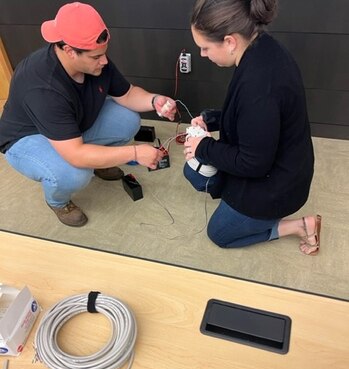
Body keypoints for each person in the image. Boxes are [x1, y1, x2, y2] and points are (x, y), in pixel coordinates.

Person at [0, 2, 176, 227]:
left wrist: (154, 100)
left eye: (104, 54)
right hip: (27, 138)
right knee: (75, 172)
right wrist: (134, 152)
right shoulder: (42, 86)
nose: (104, 61)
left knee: (128, 119)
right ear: (70, 51)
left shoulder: (95, 60)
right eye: (95, 57)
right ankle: (58, 201)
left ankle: (99, 162)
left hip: (69, 126)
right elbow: (75, 154)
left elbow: (128, 94)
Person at [183, 0, 321, 255]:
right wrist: (210, 120)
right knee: (194, 171)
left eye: (204, 48)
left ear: (229, 41)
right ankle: (237, 204)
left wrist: (203, 145)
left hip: (279, 182)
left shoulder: (259, 86)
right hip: (273, 155)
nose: (202, 55)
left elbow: (253, 164)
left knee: (220, 234)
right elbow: (248, 117)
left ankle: (300, 226)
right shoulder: (260, 46)